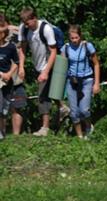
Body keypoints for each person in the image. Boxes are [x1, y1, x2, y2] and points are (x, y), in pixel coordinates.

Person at [17, 7, 69, 137]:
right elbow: (22, 49)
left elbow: (53, 52)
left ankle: (45, 128)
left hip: (51, 62)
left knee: (42, 95)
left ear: (34, 18)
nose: (26, 26)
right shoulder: (23, 29)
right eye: (24, 23)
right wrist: (21, 67)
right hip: (38, 64)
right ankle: (63, 108)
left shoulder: (46, 29)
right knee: (50, 91)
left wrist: (45, 72)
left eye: (28, 23)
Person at [62, 25, 100, 139]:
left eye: (76, 37)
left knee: (84, 110)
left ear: (80, 36)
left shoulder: (87, 46)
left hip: (86, 80)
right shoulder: (65, 48)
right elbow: (61, 67)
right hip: (72, 80)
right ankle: (79, 137)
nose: (74, 40)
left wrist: (96, 83)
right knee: (74, 112)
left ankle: (88, 127)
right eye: (72, 38)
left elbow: (96, 64)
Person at [0, 19, 18, 140]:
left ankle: (3, 132)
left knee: (5, 107)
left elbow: (16, 62)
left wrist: (9, 74)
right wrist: (1, 74)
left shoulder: (11, 47)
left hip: (7, 80)